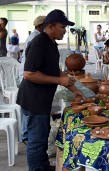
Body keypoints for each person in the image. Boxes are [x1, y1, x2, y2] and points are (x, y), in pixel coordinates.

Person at [16, 9, 84, 171]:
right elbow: (29, 74)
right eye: (62, 27)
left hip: (41, 100)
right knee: (36, 140)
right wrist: (59, 80)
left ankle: (43, 167)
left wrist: (74, 88)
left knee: (42, 135)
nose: (65, 31)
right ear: (51, 26)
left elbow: (53, 70)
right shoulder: (40, 43)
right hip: (34, 100)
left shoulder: (51, 43)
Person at [19, 15, 46, 145]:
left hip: (27, 76)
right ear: (41, 26)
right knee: (30, 111)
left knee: (29, 112)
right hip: (28, 79)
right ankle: (26, 136)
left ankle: (26, 135)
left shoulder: (36, 37)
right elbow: (30, 73)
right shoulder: (37, 39)